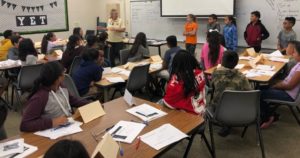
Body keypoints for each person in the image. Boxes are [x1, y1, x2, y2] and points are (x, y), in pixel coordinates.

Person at [20, 62, 89, 132]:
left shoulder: (61, 87)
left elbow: (73, 100)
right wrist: (51, 122)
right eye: (64, 72)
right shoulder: (40, 97)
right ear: (58, 78)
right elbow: (25, 124)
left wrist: (92, 104)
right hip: (53, 131)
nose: (65, 74)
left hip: (68, 125)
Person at [211, 51, 252, 136]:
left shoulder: (215, 73)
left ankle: (225, 123)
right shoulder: (241, 77)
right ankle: (228, 123)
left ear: (222, 61)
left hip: (218, 110)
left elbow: (212, 86)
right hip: (237, 110)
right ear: (237, 63)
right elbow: (249, 92)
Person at [260, 41, 300, 128]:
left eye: (295, 52)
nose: (293, 53)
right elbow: (287, 81)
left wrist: (276, 86)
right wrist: (278, 83)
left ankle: (269, 117)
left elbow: (289, 86)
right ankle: (268, 111)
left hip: (288, 95)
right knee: (260, 87)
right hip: (286, 90)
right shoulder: (298, 64)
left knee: (258, 93)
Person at [161, 50, 206, 115]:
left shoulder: (178, 81)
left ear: (176, 64)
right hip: (201, 113)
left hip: (187, 118)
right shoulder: (199, 72)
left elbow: (167, 104)